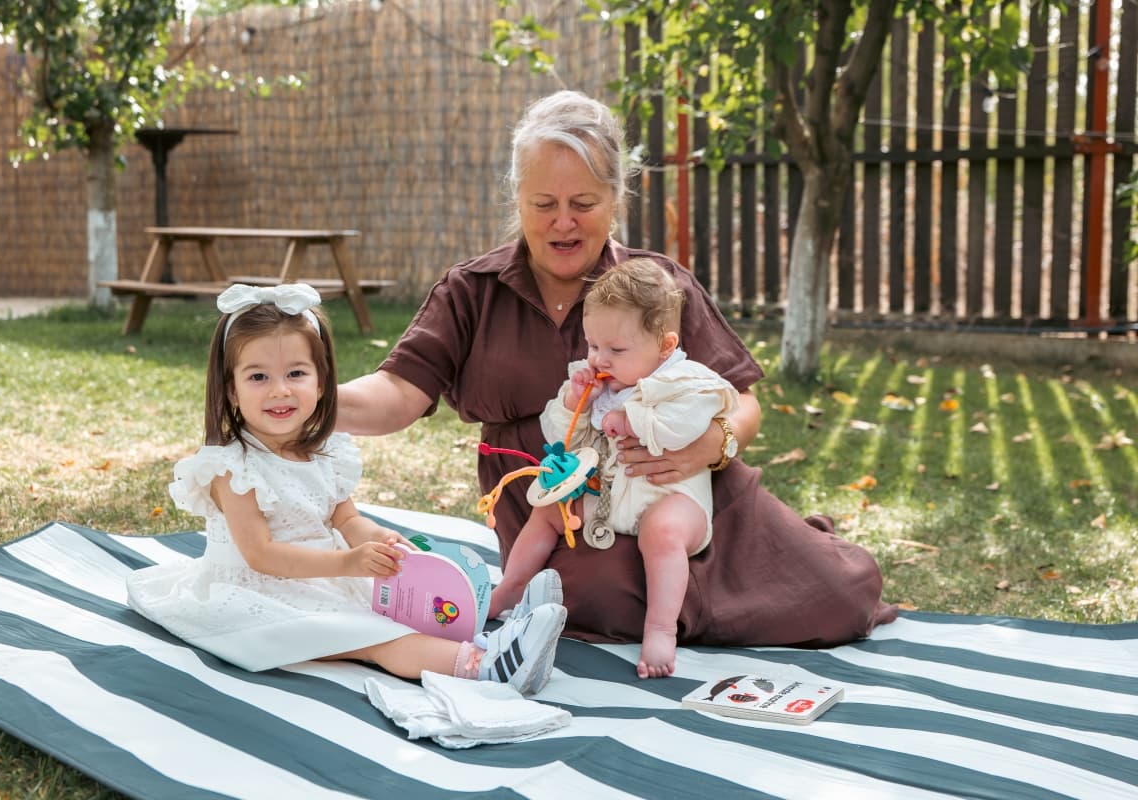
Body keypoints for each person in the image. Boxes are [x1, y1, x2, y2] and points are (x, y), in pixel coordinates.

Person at [332, 90, 897, 653]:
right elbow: (397, 393)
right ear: (517, 200)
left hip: (682, 488)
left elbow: (741, 400)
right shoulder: (471, 292)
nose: (563, 222)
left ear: (615, 197)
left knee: (838, 594)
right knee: (606, 597)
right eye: (543, 203)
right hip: (561, 507)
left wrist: (711, 444)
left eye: (583, 202)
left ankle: (784, 553)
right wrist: (310, 405)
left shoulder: (654, 287)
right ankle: (688, 605)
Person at [126, 283, 566, 695]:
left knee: (403, 600)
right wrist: (349, 561)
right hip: (257, 593)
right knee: (375, 637)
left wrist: (372, 537)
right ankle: (484, 664)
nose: (279, 390)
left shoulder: (324, 449)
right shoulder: (232, 467)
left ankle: (502, 625)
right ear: (232, 390)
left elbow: (344, 517)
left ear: (321, 383)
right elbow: (261, 555)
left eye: (295, 373)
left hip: (326, 575)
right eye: (258, 377)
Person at [487, 258, 743, 678]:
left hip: (669, 497)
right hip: (607, 499)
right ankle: (511, 586)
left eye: (616, 350)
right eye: (592, 346)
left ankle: (660, 629)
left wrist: (634, 421)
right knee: (550, 511)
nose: (600, 359)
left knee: (662, 532)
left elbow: (685, 429)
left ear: (664, 346)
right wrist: (575, 405)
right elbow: (560, 436)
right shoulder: (591, 382)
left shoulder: (687, 382)